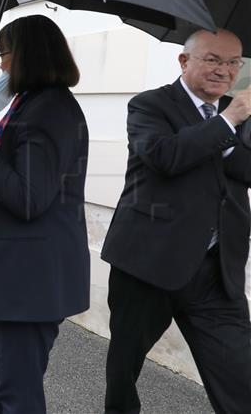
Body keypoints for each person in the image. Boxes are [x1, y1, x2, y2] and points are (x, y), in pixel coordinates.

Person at [101, 28, 251, 414]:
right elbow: (164, 156)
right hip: (148, 263)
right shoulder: (150, 105)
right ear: (184, 61)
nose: (225, 70)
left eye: (234, 62)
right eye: (213, 59)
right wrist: (226, 124)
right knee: (123, 370)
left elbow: (245, 169)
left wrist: (231, 124)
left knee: (241, 374)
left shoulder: (239, 109)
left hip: (217, 270)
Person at [0, 15, 90, 413]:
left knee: (16, 389)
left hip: (31, 279)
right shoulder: (28, 104)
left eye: (3, 55)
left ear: (24, 55)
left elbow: (29, 197)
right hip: (11, 276)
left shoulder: (49, 111)